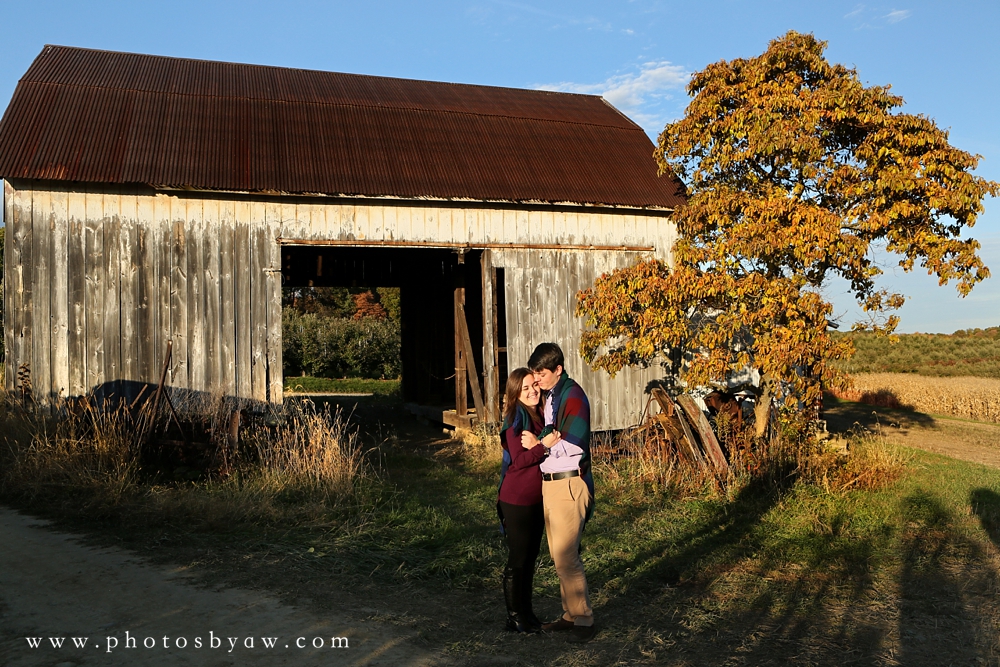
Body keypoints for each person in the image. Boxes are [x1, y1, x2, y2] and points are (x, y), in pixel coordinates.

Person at [523, 342, 596, 643]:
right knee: (558, 556)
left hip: (568, 482)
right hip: (551, 483)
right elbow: (551, 435)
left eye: (541, 373)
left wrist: (542, 445)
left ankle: (585, 620)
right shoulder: (553, 397)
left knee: (566, 555)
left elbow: (574, 444)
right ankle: (570, 614)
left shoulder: (573, 395)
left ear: (558, 370)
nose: (537, 379)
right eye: (534, 373)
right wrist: (546, 441)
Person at [497, 368, 560, 633]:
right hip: (518, 498)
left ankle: (527, 612)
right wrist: (544, 446)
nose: (533, 390)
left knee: (531, 558)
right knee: (519, 558)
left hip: (536, 497)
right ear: (515, 393)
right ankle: (514, 617)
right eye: (525, 388)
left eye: (534, 385)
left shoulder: (537, 413)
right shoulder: (515, 416)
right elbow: (519, 461)